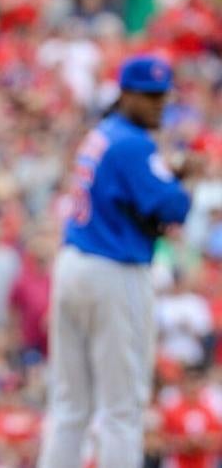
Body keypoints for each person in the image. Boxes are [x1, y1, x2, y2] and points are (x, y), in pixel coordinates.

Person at [38, 55, 196, 468]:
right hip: (113, 270)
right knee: (123, 408)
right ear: (126, 94)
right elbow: (171, 207)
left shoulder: (102, 134)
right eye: (149, 96)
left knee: (70, 405)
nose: (159, 104)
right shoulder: (133, 142)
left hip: (74, 264)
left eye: (163, 95)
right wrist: (183, 179)